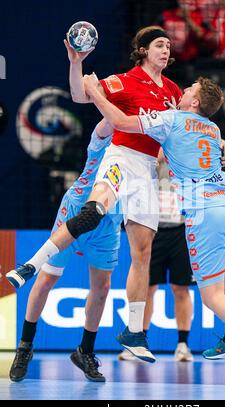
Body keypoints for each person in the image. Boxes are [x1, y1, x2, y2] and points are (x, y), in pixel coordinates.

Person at [82, 74, 225, 386]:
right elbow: (183, 151)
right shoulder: (214, 129)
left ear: (195, 102)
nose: (184, 90)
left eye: (189, 90)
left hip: (204, 213)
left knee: (212, 296)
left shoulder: (172, 118)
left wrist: (95, 92)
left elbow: (120, 120)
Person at [6, 26, 183, 364]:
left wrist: (214, 142)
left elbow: (184, 127)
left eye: (168, 44)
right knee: (91, 212)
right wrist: (77, 63)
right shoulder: (125, 81)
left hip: (146, 170)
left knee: (143, 252)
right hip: (122, 157)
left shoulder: (173, 91)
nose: (166, 49)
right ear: (143, 50)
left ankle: (133, 333)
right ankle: (30, 266)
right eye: (159, 44)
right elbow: (80, 95)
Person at [7, 120, 122, 382]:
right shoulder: (107, 137)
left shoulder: (140, 148)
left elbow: (170, 148)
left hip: (109, 221)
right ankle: (24, 346)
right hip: (76, 212)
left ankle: (85, 352)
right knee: (47, 278)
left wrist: (219, 142)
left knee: (102, 288)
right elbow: (107, 121)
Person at [119, 149, 195, 362]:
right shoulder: (149, 149)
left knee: (180, 288)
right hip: (152, 228)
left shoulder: (183, 148)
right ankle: (137, 342)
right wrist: (157, 156)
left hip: (180, 230)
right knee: (147, 288)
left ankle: (182, 345)